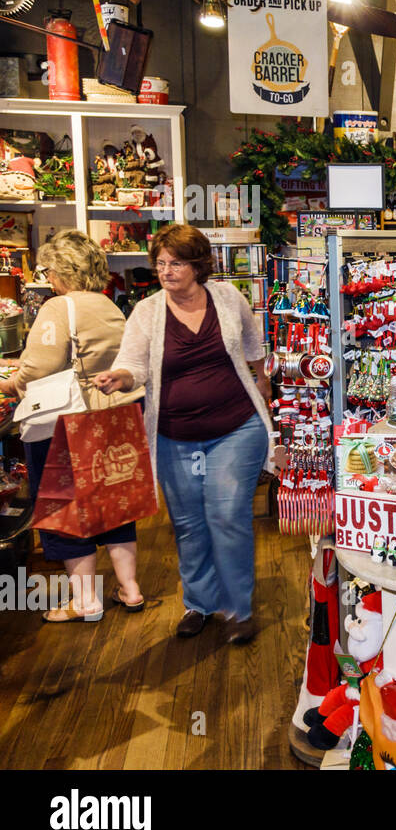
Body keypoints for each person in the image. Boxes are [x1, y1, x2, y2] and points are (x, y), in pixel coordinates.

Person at [94, 224, 274, 644]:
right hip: (175, 434)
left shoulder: (228, 297)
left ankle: (238, 608)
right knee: (190, 522)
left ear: (197, 265)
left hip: (236, 426)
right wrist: (120, 378)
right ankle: (200, 603)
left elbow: (251, 339)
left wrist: (262, 376)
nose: (166, 271)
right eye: (160, 263)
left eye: (176, 263)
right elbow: (132, 362)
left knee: (226, 515)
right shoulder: (148, 312)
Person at [0, 231, 144, 621]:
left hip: (67, 420)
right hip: (112, 413)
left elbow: (39, 369)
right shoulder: (108, 305)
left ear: (64, 270)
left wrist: (10, 382)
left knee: (63, 507)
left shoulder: (59, 307)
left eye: (48, 269)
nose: (46, 277)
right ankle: (130, 589)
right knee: (113, 501)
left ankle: (85, 601)